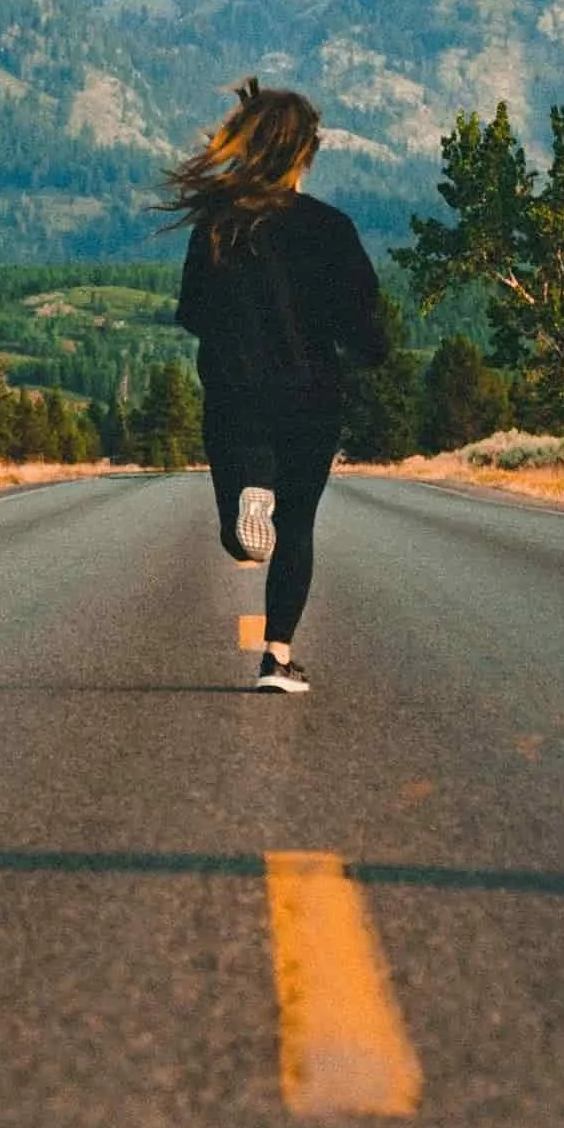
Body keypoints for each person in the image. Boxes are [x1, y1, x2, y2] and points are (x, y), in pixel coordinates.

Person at [167, 78, 388, 694]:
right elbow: (363, 323)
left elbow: (193, 313)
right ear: (305, 154)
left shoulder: (217, 226)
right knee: (298, 527)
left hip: (235, 393)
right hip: (312, 395)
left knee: (242, 512)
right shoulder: (331, 228)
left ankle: (245, 500)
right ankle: (277, 658)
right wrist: (370, 350)